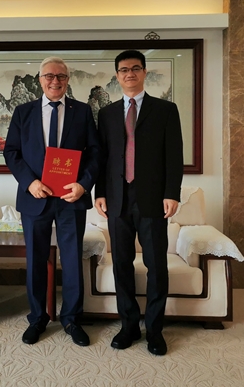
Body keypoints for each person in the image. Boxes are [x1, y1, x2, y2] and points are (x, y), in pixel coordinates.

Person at [4, 56, 100, 347]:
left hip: (71, 198)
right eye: (49, 76)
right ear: (40, 79)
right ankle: (37, 318)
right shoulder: (23, 112)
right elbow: (12, 152)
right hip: (36, 197)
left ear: (67, 80)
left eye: (61, 76)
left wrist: (83, 185)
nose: (55, 81)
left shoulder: (82, 111)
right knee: (35, 261)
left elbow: (96, 152)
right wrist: (30, 182)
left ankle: (71, 318)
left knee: (71, 259)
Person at [94, 49, 183, 356]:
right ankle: (129, 325)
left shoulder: (165, 110)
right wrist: (100, 192)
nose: (129, 74)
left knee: (156, 265)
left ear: (144, 72)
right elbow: (102, 157)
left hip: (153, 199)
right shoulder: (106, 114)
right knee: (121, 264)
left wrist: (172, 193)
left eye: (135, 68)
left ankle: (155, 330)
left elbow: (174, 155)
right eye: (123, 70)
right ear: (117, 76)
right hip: (117, 199)